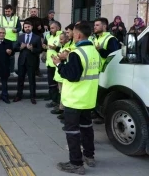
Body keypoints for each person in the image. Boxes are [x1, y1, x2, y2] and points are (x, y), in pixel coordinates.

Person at [52, 22, 100, 175]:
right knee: (87, 128)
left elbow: (72, 76)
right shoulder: (93, 51)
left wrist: (59, 63)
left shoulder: (76, 53)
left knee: (72, 131)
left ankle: (76, 163)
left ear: (78, 35)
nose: (71, 34)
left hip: (74, 100)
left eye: (73, 32)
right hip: (88, 98)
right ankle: (89, 156)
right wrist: (68, 60)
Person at [13, 21, 42, 104]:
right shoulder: (21, 37)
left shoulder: (37, 37)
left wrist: (32, 49)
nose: (27, 28)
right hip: (21, 62)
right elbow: (15, 48)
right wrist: (20, 48)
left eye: (28, 27)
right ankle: (18, 95)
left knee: (32, 80)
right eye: (25, 27)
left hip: (32, 62)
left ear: (32, 27)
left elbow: (40, 50)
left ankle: (33, 97)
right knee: (20, 79)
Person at [0, 4, 21, 77]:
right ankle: (2, 70)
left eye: (8, 11)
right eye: (6, 11)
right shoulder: (0, 18)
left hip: (12, 40)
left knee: (11, 56)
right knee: (2, 55)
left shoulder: (16, 18)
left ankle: (12, 71)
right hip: (3, 39)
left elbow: (19, 28)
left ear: (11, 11)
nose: (7, 13)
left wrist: (16, 30)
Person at [42, 21, 62, 106]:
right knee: (51, 82)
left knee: (55, 83)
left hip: (57, 64)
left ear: (58, 28)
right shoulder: (49, 36)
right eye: (50, 28)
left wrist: (56, 48)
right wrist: (45, 47)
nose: (51, 30)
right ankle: (51, 96)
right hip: (50, 63)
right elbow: (47, 46)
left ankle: (55, 100)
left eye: (53, 28)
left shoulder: (61, 36)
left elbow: (63, 48)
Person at [24, 7, 44, 76]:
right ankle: (27, 70)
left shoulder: (40, 20)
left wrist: (40, 28)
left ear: (37, 12)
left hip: (37, 40)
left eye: (34, 11)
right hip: (29, 39)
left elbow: (43, 31)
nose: (33, 13)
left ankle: (37, 71)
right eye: (32, 11)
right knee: (28, 55)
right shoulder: (27, 20)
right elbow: (23, 30)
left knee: (37, 56)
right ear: (30, 12)